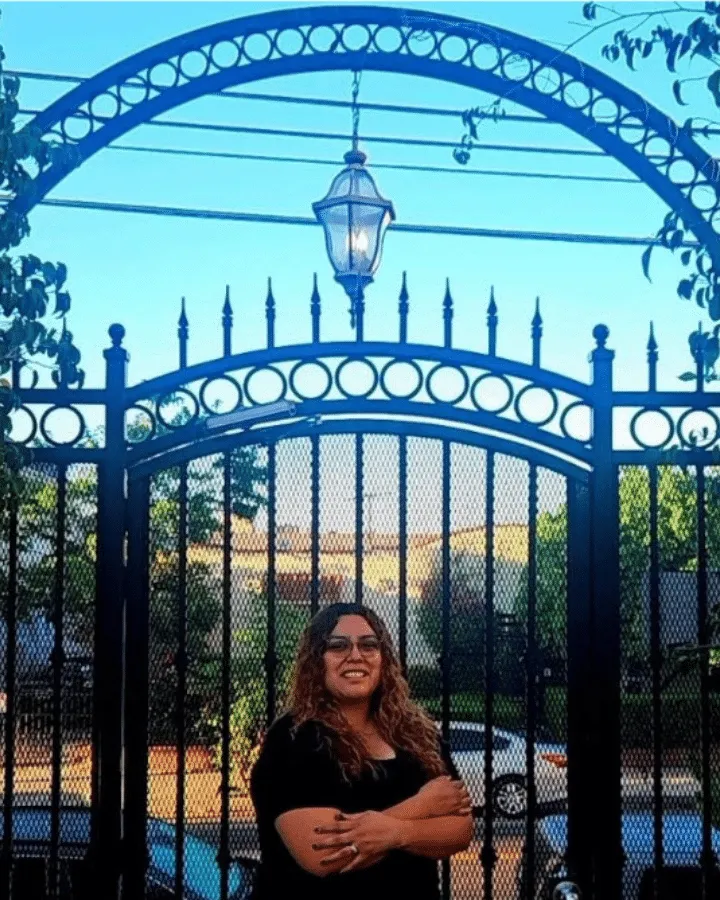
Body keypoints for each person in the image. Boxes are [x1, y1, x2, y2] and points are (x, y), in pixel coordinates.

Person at [249, 602, 474, 900]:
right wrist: (421, 808)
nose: (355, 655)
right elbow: (324, 854)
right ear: (317, 661)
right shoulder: (293, 738)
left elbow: (461, 830)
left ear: (384, 658)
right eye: (338, 646)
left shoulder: (419, 734)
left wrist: (396, 833)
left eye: (368, 645)